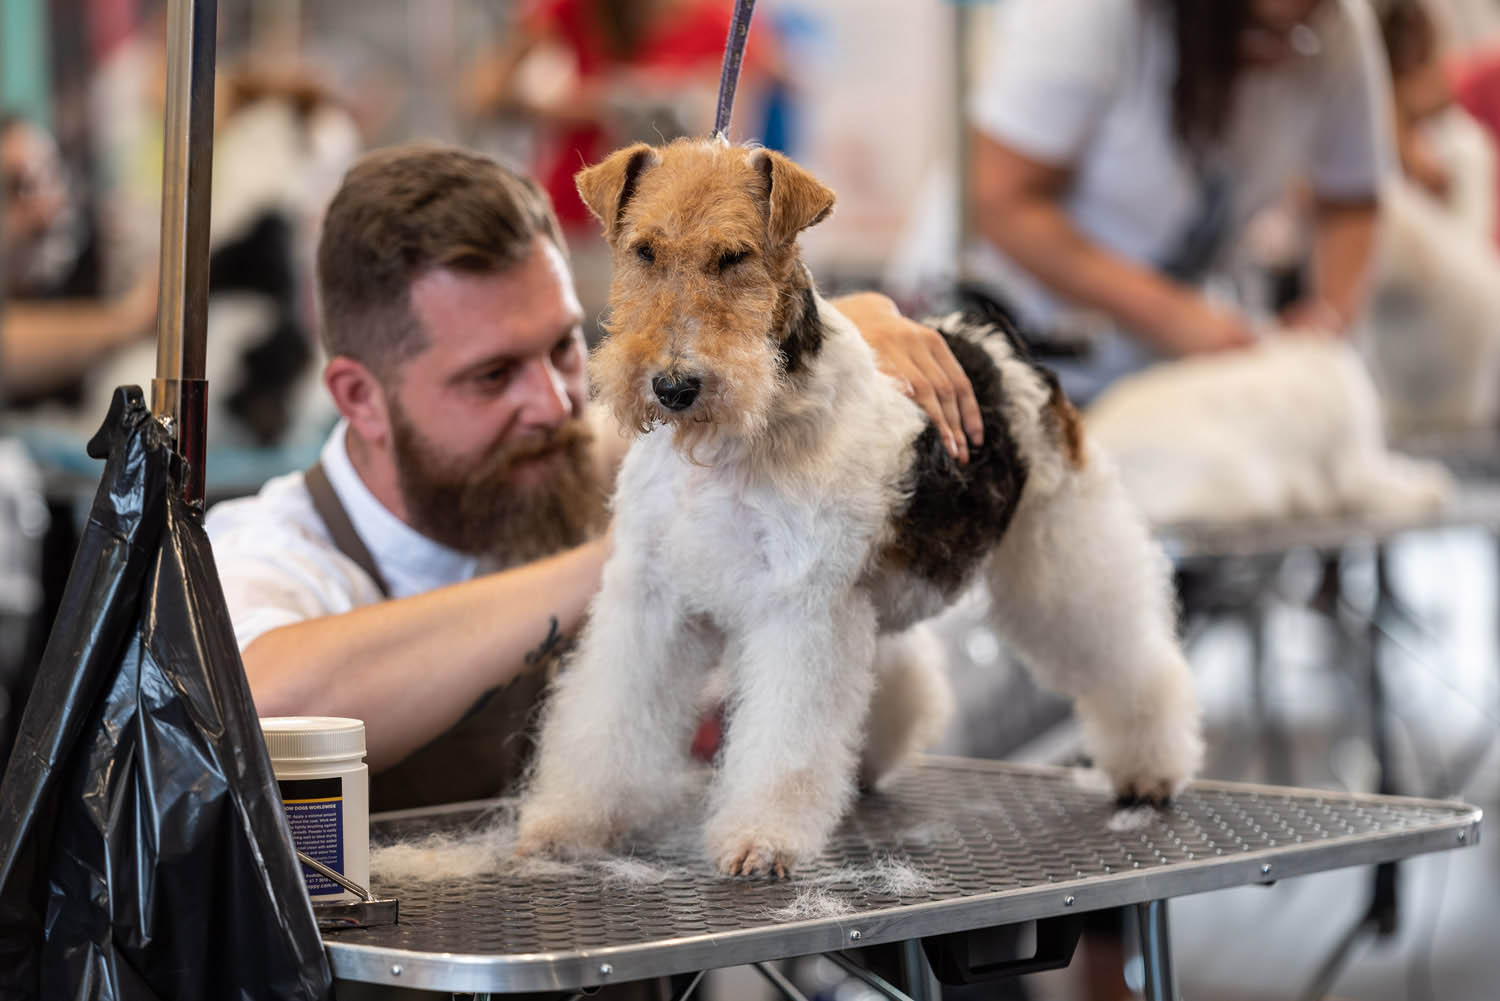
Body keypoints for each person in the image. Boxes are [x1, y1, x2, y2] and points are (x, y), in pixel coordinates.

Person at [205, 142, 982, 813]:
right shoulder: (269, 554)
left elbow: (705, 379)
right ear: (359, 399)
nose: (553, 403)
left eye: (564, 348)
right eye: (492, 375)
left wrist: (825, 333)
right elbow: (256, 700)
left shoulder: (580, 454)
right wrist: (624, 559)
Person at [967, 0, 1392, 404]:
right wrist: (1170, 315)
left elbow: (1351, 200)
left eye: (1301, 30)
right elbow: (998, 200)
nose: (1280, 53)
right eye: (1253, 28)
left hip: (1168, 368)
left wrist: (1328, 319)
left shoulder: (1337, 26)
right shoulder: (1085, 13)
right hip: (1020, 346)